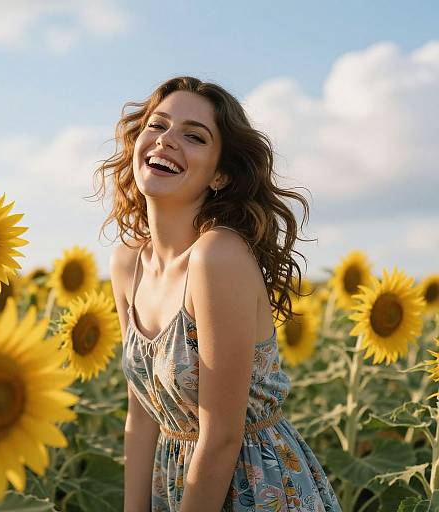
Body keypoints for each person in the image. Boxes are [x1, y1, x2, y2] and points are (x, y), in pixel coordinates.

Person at [98, 76, 342, 511]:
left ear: (220, 174)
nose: (168, 139)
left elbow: (221, 436)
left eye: (194, 136)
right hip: (173, 485)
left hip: (255, 487)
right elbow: (142, 415)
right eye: (157, 125)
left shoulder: (217, 256)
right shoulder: (127, 264)